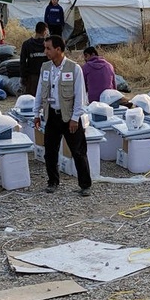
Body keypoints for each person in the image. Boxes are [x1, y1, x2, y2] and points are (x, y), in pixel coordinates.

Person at [34, 36, 91, 196]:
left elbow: (80, 96)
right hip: (51, 114)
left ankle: (85, 185)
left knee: (78, 151)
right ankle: (52, 182)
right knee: (50, 152)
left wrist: (75, 118)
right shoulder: (45, 67)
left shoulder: (74, 69)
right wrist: (36, 113)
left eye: (48, 48)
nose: (45, 51)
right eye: (45, 48)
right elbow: (39, 91)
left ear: (58, 49)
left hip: (69, 116)